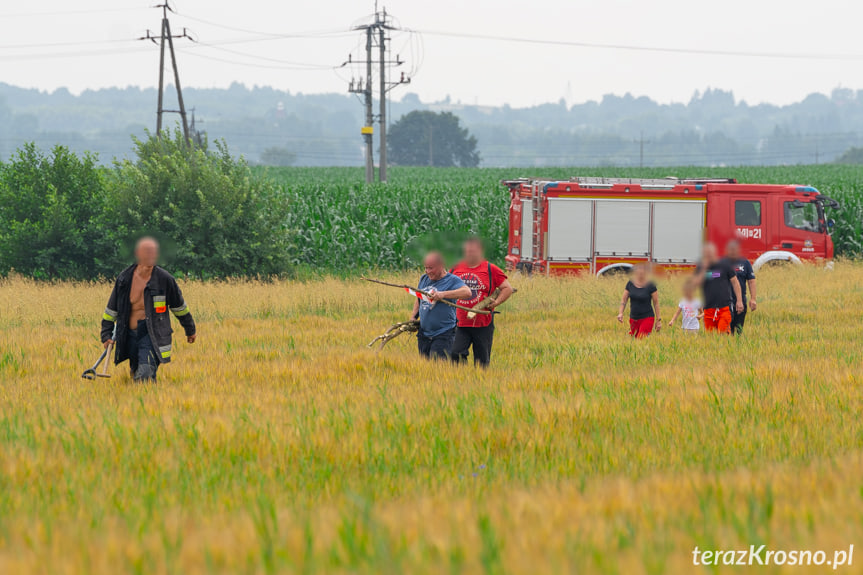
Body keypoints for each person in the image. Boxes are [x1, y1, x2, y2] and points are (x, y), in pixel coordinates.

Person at [100, 237, 197, 382]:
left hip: (153, 334)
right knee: (136, 372)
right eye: (148, 251)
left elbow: (179, 307)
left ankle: (147, 397)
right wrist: (106, 334)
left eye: (154, 251)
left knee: (145, 373)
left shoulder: (165, 280)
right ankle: (141, 402)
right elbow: (111, 310)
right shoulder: (124, 279)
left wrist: (190, 329)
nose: (152, 255)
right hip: (129, 335)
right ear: (138, 253)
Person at [449, 237, 514, 367]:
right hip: (460, 322)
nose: (469, 254)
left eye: (472, 251)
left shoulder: (491, 269)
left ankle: (478, 383)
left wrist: (495, 303)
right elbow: (446, 286)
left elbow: (507, 289)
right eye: (467, 251)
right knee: (455, 353)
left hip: (483, 323)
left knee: (482, 362)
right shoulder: (455, 268)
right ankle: (461, 380)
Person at [410, 252, 471, 360]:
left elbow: (467, 292)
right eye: (426, 268)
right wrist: (413, 317)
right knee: (425, 369)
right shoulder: (424, 278)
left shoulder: (452, 280)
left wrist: (443, 294)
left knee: (437, 369)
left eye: (431, 268)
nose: (428, 271)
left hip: (443, 334)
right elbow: (419, 298)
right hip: (424, 334)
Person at [695, 243, 744, 334]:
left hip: (724, 307)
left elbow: (735, 281)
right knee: (711, 339)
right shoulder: (701, 267)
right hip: (708, 309)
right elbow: (696, 283)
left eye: (710, 254)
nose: (708, 256)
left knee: (722, 334)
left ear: (715, 253)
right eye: (706, 254)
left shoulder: (725, 265)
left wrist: (739, 300)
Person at [617, 263, 661, 338]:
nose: (640, 274)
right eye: (639, 272)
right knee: (635, 340)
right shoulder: (630, 284)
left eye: (643, 272)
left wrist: (658, 320)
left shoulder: (651, 285)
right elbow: (624, 300)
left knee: (641, 339)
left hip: (647, 317)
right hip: (633, 318)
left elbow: (656, 303)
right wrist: (620, 313)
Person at [724, 240, 757, 335]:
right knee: (726, 331)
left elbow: (751, 281)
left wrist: (753, 299)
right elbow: (715, 275)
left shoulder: (745, 263)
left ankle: (737, 347)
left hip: (740, 302)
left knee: (738, 330)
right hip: (725, 302)